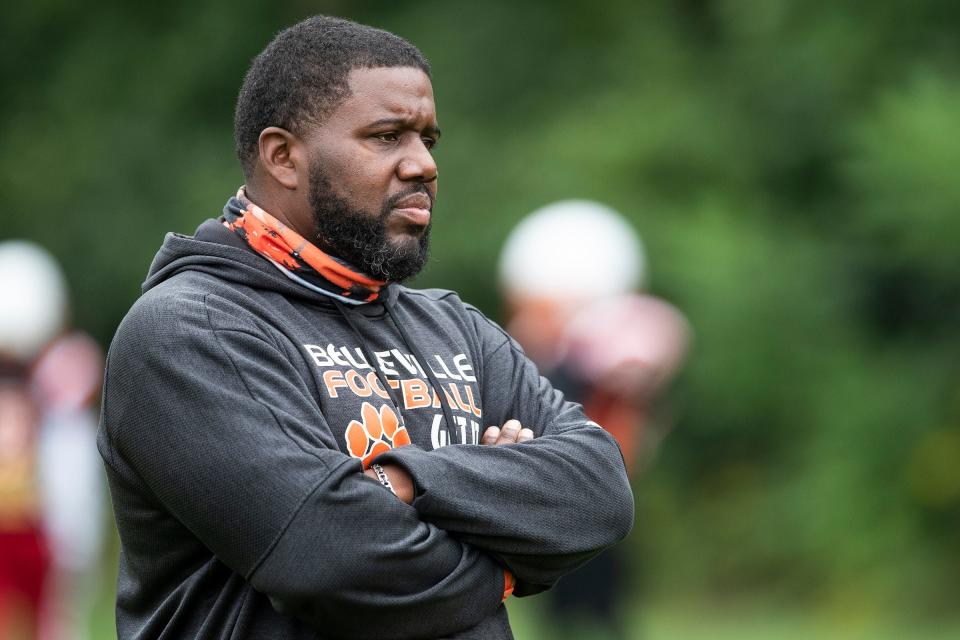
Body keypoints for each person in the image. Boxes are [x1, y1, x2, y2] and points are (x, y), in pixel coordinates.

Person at [97, 15, 634, 640]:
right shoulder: (190, 330)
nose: (423, 166)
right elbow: (325, 556)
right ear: (283, 157)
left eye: (428, 139)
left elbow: (599, 492)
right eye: (387, 137)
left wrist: (401, 480)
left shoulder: (455, 328)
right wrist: (500, 549)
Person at [499, 201, 690, 638]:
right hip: (564, 491)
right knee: (568, 600)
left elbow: (637, 405)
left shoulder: (608, 364)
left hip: (601, 487)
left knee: (603, 595)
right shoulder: (543, 358)